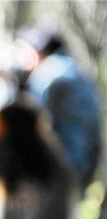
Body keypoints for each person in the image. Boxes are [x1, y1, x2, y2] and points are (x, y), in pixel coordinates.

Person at [16, 28, 103, 188]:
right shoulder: (75, 70)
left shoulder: (46, 73)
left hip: (57, 168)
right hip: (85, 165)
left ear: (37, 51)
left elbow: (32, 123)